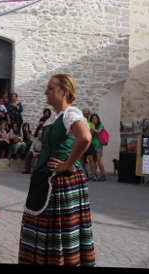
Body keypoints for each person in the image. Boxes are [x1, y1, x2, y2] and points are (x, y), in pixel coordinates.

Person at [19, 74, 95, 266]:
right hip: (45, 181)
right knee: (44, 232)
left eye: (51, 88)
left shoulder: (71, 113)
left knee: (57, 234)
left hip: (60, 182)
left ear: (65, 91)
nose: (46, 92)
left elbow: (85, 138)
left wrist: (68, 164)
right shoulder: (55, 118)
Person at [87, 112, 108, 181]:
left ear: (98, 119)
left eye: (95, 118)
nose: (94, 120)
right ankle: (94, 175)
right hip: (92, 145)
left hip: (99, 145)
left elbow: (98, 131)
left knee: (99, 161)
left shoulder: (100, 125)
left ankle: (103, 175)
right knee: (92, 161)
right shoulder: (91, 125)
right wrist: (90, 128)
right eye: (93, 118)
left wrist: (92, 128)